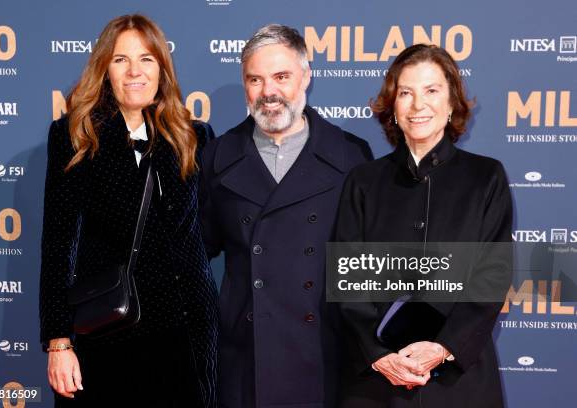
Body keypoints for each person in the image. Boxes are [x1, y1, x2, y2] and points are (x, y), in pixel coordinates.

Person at [39, 14, 218, 407]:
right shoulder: (76, 134)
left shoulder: (192, 136)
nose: (135, 71)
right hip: (107, 327)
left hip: (183, 333)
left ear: (162, 69)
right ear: (105, 69)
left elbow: (206, 232)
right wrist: (58, 341)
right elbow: (57, 242)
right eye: (121, 60)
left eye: (147, 59)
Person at [198, 24, 373, 408]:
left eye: (281, 76)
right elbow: (197, 249)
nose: (268, 92)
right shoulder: (217, 157)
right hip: (246, 358)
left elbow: (364, 261)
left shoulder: (350, 156)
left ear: (306, 77)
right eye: (255, 80)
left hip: (323, 354)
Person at [334, 44, 512, 408]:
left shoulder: (485, 177)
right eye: (405, 93)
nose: (418, 105)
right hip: (377, 384)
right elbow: (346, 279)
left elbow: (492, 275)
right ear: (393, 106)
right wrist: (378, 353)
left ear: (451, 104)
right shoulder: (363, 181)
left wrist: (444, 346)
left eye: (431, 91)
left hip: (459, 383)